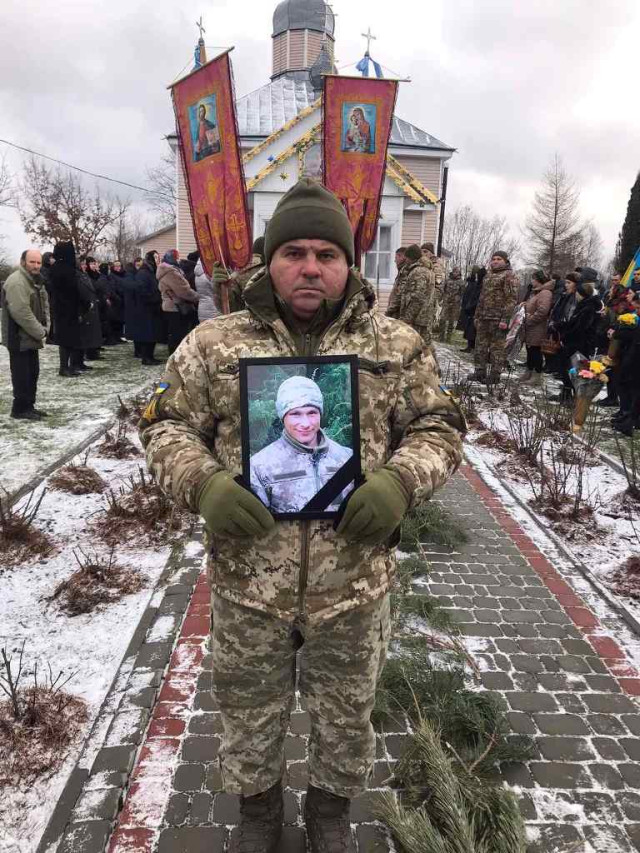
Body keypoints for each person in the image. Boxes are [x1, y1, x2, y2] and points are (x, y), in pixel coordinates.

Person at [139, 178, 465, 853]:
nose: (311, 267)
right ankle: (259, 812)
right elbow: (165, 426)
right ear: (270, 260)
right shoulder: (214, 343)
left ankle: (330, 813)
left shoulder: (396, 344)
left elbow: (439, 426)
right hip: (248, 582)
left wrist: (400, 483)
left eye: (326, 254)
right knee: (248, 709)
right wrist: (204, 484)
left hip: (354, 584)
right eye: (294, 253)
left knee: (346, 712)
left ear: (348, 264)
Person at [250, 376, 353, 514]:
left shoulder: (348, 458)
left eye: (312, 413)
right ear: (283, 417)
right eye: (295, 414)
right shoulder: (259, 467)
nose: (305, 424)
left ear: (320, 414)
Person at [1, 249, 49, 419]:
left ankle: (29, 406)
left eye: (38, 262)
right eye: (32, 262)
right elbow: (21, 312)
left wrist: (45, 327)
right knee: (22, 375)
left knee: (32, 373)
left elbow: (44, 306)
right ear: (23, 262)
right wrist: (40, 331)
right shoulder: (17, 282)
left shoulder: (35, 281)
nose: (36, 265)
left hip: (30, 337)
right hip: (18, 338)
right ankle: (19, 409)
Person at [468, 251, 519, 385]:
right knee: (480, 346)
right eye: (493, 259)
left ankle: (495, 375)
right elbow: (482, 298)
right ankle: (479, 372)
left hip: (498, 319)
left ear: (505, 261)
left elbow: (511, 299)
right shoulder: (488, 275)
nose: (495, 261)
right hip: (484, 317)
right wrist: (477, 316)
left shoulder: (509, 275)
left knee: (496, 349)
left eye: (499, 259)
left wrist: (505, 319)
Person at [553, 281, 603, 403]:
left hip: (579, 344)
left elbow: (580, 328)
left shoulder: (588, 308)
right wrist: (561, 325)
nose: (575, 295)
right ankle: (566, 394)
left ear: (582, 294)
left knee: (573, 370)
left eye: (577, 293)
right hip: (573, 342)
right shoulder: (583, 305)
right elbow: (574, 323)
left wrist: (565, 333)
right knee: (566, 368)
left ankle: (574, 398)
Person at [49, 242, 91, 377]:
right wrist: (84, 304)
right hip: (69, 308)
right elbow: (75, 289)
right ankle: (65, 367)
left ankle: (68, 366)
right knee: (68, 339)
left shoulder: (56, 268)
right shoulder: (67, 269)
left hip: (61, 308)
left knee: (67, 339)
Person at [388, 243, 437, 345]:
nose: (405, 261)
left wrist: (407, 319)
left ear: (411, 257)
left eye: (406, 258)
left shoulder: (419, 272)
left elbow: (417, 298)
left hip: (418, 319)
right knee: (421, 346)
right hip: (420, 318)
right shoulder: (419, 270)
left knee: (419, 346)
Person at [157, 249, 200, 354]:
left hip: (171, 306)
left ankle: (174, 356)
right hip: (176, 307)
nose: (178, 259)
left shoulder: (166, 270)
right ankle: (176, 357)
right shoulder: (171, 272)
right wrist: (199, 297)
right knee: (178, 335)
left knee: (174, 334)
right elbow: (183, 290)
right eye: (176, 257)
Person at [610, 290, 640, 436]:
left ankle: (630, 421)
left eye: (638, 308)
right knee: (633, 389)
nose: (637, 311)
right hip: (633, 355)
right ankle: (630, 418)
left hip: (635, 357)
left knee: (635, 391)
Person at [520, 270, 554, 386]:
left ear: (538, 280)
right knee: (530, 350)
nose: (532, 281)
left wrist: (530, 319)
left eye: (533, 279)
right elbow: (534, 305)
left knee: (535, 351)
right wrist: (526, 305)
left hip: (538, 327)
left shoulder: (545, 293)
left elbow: (543, 311)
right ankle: (529, 371)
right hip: (531, 327)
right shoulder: (537, 292)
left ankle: (537, 375)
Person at [215, 237, 266, 314]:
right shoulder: (272, 270)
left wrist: (218, 285)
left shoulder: (237, 273)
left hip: (245, 319)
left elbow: (228, 308)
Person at [134, 251, 166, 365]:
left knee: (153, 334)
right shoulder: (143, 273)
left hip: (153, 307)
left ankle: (150, 356)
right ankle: (146, 357)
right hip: (146, 308)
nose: (158, 260)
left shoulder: (152, 271)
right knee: (148, 334)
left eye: (158, 257)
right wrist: (155, 298)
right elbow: (142, 291)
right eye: (155, 257)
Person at [77, 256, 103, 364]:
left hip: (92, 304)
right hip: (86, 306)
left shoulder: (85, 275)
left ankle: (93, 352)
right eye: (83, 264)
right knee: (88, 332)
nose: (84, 266)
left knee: (93, 332)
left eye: (85, 264)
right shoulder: (80, 276)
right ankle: (87, 354)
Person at [459, 266, 484, 353]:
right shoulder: (473, 283)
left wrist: (471, 306)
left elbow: (477, 297)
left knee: (473, 329)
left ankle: (473, 347)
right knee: (469, 329)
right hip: (469, 308)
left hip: (475, 309)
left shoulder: (480, 285)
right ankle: (470, 346)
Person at [437, 266, 464, 343]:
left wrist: (459, 300)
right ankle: (441, 336)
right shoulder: (447, 280)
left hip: (455, 304)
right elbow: (442, 289)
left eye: (457, 272)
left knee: (451, 321)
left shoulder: (461, 282)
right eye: (454, 272)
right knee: (442, 319)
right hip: (446, 302)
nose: (455, 273)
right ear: (452, 272)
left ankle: (448, 338)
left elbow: (462, 293)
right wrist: (441, 299)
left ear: (459, 273)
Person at [194, 257, 221, 324]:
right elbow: (216, 289)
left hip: (202, 308)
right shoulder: (209, 274)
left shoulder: (198, 273)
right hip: (213, 308)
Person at [385, 247, 408, 320]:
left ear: (402, 257)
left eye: (396, 257)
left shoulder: (405, 272)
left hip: (398, 312)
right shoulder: (401, 271)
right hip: (395, 311)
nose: (395, 261)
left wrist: (389, 311)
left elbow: (399, 294)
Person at [40, 251, 56, 343]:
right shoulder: (44, 269)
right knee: (49, 316)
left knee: (52, 316)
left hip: (51, 295)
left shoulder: (50, 269)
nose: (53, 259)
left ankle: (52, 336)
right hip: (47, 295)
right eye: (51, 258)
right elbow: (46, 282)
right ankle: (50, 337)